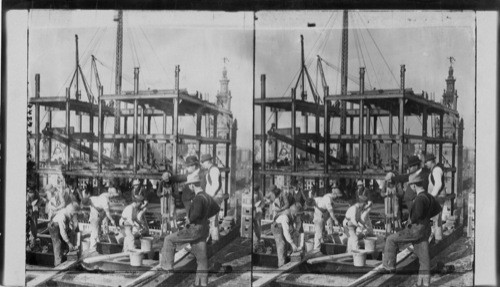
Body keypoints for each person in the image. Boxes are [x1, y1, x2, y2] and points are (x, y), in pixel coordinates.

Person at [160, 171, 212, 286]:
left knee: (169, 239)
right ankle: (202, 284)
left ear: (192, 185)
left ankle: (166, 267)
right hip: (204, 229)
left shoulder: (198, 198)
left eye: (189, 186)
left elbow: (195, 214)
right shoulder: (207, 196)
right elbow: (214, 210)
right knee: (202, 258)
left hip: (194, 229)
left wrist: (189, 220)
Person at [382, 170, 432, 287]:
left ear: (414, 186)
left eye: (411, 186)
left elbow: (416, 215)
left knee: (391, 239)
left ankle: (389, 267)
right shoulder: (427, 196)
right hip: (425, 230)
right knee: (424, 260)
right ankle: (424, 284)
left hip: (416, 230)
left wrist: (409, 224)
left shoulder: (417, 198)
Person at [81, 187, 119, 253]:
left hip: (98, 213)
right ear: (111, 194)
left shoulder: (104, 195)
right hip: (95, 215)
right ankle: (92, 249)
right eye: (113, 196)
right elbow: (107, 213)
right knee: (94, 232)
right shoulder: (104, 199)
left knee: (98, 231)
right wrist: (112, 220)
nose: (114, 197)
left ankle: (98, 246)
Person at [48, 202, 80, 266]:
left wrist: (74, 230)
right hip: (54, 227)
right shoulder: (62, 216)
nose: (74, 215)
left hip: (60, 225)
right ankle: (58, 264)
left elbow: (72, 224)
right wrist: (69, 243)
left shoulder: (68, 213)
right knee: (58, 244)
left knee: (66, 238)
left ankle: (65, 256)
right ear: (71, 212)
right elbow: (62, 232)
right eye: (74, 214)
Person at [272, 203, 302, 267]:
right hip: (277, 228)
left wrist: (297, 230)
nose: (298, 216)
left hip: (284, 226)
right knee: (282, 245)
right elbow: (286, 232)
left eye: (299, 214)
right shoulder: (285, 217)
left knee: (286, 244)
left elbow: (299, 222)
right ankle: (281, 266)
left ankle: (285, 262)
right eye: (297, 214)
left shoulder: (296, 214)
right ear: (294, 212)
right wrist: (292, 243)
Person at [200, 153, 222, 242]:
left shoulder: (214, 170)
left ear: (207, 162)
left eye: (203, 162)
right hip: (213, 196)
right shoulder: (210, 170)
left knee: (212, 219)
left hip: (215, 197)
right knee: (211, 219)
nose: (203, 164)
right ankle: (212, 238)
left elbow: (215, 185)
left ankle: (214, 239)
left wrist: (209, 197)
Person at [424, 153, 445, 242]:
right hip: (436, 197)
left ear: (431, 161)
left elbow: (438, 184)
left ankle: (438, 239)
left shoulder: (436, 170)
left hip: (437, 197)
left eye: (427, 162)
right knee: (436, 219)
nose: (426, 164)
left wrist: (432, 197)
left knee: (436, 219)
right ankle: (437, 238)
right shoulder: (433, 170)